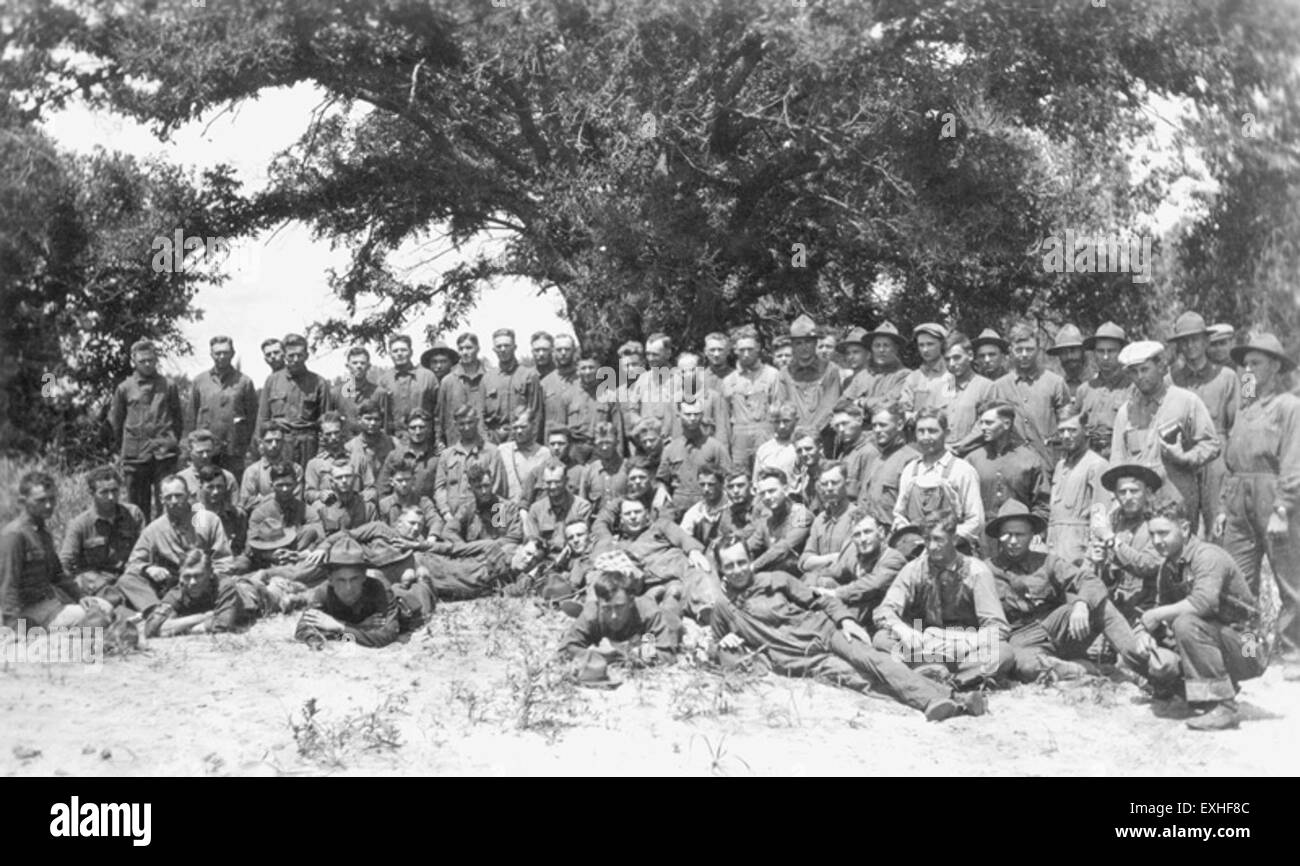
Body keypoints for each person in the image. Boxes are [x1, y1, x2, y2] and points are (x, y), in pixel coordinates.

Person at [712, 539, 984, 721]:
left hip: (827, 632)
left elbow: (823, 599)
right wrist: (725, 642)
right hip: (804, 660)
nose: (737, 570)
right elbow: (716, 646)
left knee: (873, 660)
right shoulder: (723, 608)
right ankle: (955, 702)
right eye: (729, 565)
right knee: (861, 680)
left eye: (741, 561)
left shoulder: (777, 579)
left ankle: (936, 699)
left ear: (751, 559)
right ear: (722, 570)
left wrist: (845, 621)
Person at [1137, 500, 1265, 730]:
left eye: (1164, 533)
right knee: (1142, 646)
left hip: (1250, 646)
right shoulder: (1169, 567)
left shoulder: (1207, 555)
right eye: (1152, 534)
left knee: (1186, 624)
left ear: (1185, 529)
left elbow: (1203, 603)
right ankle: (1191, 691)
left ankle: (1224, 706)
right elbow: (1162, 609)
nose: (1157, 541)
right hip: (1222, 639)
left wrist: (1156, 615)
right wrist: (1146, 632)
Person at [985, 501, 1146, 682]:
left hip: (1059, 628)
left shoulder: (1048, 562)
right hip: (1021, 639)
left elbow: (1090, 580)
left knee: (1101, 606)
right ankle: (1085, 669)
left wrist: (1081, 604)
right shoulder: (986, 570)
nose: (1013, 541)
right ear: (998, 536)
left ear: (1032, 535)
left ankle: (1144, 666)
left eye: (1019, 534)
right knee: (1027, 668)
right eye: (1007, 534)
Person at [1216, 333, 1299, 659]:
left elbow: (1293, 462)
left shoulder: (1288, 407)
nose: (1247, 370)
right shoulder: (1244, 410)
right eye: (1244, 364)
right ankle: (1248, 653)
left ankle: (1292, 653)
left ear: (1275, 367)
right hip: (1239, 499)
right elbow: (1232, 462)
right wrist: (1224, 505)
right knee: (1238, 578)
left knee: (1291, 580)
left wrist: (1282, 509)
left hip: (1274, 496)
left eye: (1256, 363)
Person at [871, 510, 1015, 688]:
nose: (931, 546)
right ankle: (936, 673)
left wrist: (967, 643)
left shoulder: (976, 571)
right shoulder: (914, 569)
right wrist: (904, 630)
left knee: (1003, 653)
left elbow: (998, 627)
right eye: (927, 540)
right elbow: (884, 610)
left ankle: (945, 680)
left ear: (954, 539)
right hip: (923, 642)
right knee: (881, 638)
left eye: (938, 539)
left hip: (963, 643)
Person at [1110, 340, 1220, 530]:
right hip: (1138, 509)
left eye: (1145, 369)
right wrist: (1114, 500)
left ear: (1161, 367)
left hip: (1176, 502)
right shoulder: (1125, 412)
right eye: (1134, 372)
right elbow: (1117, 461)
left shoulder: (1186, 401)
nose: (1140, 377)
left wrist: (1185, 457)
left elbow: (1211, 444)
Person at [1, 471, 114, 630]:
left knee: (104, 607)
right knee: (96, 617)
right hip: (27, 610)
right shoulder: (14, 535)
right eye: (41, 500)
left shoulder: (42, 533)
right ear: (22, 502)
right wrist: (13, 627)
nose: (48, 505)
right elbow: (7, 585)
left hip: (49, 603)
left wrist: (80, 596)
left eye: (51, 499)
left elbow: (57, 575)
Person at [117, 476, 232, 614]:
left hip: (204, 582)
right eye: (168, 497)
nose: (174, 501)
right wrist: (149, 568)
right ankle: (157, 611)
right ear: (161, 499)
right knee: (126, 580)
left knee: (229, 583)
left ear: (189, 495)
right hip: (173, 584)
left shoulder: (208, 520)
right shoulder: (154, 529)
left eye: (179, 496)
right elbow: (133, 564)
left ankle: (178, 611)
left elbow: (223, 560)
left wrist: (207, 577)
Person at [1169, 312, 1239, 537]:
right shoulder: (1171, 379)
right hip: (1181, 458)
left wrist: (1233, 471)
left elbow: (1237, 426)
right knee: (1178, 527)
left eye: (1195, 339)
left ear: (1205, 341)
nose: (1190, 345)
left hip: (1216, 459)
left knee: (1218, 529)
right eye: (1184, 340)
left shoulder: (1231, 376)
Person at [599, 496, 714, 620]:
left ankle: (707, 612)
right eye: (628, 514)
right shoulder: (619, 545)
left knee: (687, 582)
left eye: (637, 512)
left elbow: (681, 537)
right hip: (649, 585)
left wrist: (693, 551)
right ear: (621, 519)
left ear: (647, 514)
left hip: (677, 572)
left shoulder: (660, 525)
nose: (633, 516)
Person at [111, 339, 183, 517]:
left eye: (151, 360)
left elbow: (178, 420)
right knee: (137, 510)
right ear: (133, 361)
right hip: (135, 458)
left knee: (168, 505)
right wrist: (125, 448)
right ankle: (141, 544)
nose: (148, 364)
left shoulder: (169, 385)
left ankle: (166, 543)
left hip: (164, 455)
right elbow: (116, 422)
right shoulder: (124, 388)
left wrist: (170, 441)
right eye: (143, 361)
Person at [893, 409, 985, 549]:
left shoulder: (962, 471)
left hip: (952, 551)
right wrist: (910, 538)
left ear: (946, 433)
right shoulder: (910, 470)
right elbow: (899, 513)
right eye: (921, 431)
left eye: (932, 431)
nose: (926, 437)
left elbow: (976, 520)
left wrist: (947, 540)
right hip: (915, 550)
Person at [990, 321, 1071, 469]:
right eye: (1019, 350)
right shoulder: (999, 387)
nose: (1024, 355)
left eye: (1029, 349)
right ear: (1010, 350)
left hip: (1047, 462)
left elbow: (1067, 425)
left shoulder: (1055, 383)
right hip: (1012, 464)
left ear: (1038, 350)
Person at [295, 536, 401, 649]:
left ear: (364, 576)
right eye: (341, 580)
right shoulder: (323, 592)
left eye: (354, 579)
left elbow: (387, 636)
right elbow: (302, 632)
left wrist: (340, 627)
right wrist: (356, 629)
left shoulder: (380, 590)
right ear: (330, 579)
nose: (348, 587)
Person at [557, 569, 683, 664]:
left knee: (670, 613)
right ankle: (653, 594)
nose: (613, 616)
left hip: (665, 620)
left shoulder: (648, 615)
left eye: (619, 607)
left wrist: (627, 655)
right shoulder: (592, 614)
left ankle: (670, 595)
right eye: (606, 608)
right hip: (636, 636)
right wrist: (594, 655)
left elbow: (667, 655)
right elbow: (566, 649)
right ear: (598, 604)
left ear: (631, 602)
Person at [1090, 464, 1164, 624]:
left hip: (1149, 606)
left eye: (1134, 491)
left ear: (1148, 493)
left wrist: (1111, 539)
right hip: (1117, 604)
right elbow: (1108, 579)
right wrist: (1099, 563)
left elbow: (1147, 566)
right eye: (1122, 492)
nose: (1128, 497)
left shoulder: (1159, 523)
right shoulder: (1113, 522)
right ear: (1115, 496)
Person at [59, 466, 147, 599]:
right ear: (91, 493)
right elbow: (66, 563)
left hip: (129, 577)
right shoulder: (80, 524)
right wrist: (77, 592)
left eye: (115, 491)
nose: (111, 497)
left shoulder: (133, 514)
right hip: (97, 583)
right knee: (112, 602)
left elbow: (146, 550)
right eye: (104, 492)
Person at [142, 549, 270, 638]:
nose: (192, 582)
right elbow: (151, 628)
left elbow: (222, 625)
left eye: (198, 576)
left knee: (280, 591)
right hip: (235, 590)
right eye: (187, 576)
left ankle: (267, 575)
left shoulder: (225, 586)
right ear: (180, 577)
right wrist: (202, 617)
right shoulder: (178, 592)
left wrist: (177, 626)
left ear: (210, 574)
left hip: (253, 595)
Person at [809, 512, 909, 624]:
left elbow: (870, 585)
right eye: (857, 535)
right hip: (863, 607)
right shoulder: (857, 556)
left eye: (867, 532)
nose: (863, 539)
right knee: (824, 582)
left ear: (880, 533)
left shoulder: (893, 558)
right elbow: (833, 571)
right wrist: (811, 583)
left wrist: (835, 593)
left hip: (897, 617)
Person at [965, 402, 1052, 527]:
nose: (983, 427)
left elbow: (1042, 503)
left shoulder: (1030, 460)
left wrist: (1034, 529)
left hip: (1017, 534)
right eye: (981, 423)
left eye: (989, 423)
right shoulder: (972, 460)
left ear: (1006, 424)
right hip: (981, 536)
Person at [255, 333, 333, 470]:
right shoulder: (272, 381)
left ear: (307, 356)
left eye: (300, 355)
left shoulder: (319, 382)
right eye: (291, 355)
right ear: (284, 355)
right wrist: (262, 447)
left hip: (309, 445)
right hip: (279, 444)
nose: (296, 359)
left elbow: (327, 421)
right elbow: (263, 419)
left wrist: (324, 449)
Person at [186, 335, 257, 480]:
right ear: (211, 354)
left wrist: (245, 445)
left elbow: (252, 417)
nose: (222, 356)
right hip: (206, 451)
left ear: (232, 353)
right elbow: (191, 416)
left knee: (232, 488)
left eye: (226, 352)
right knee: (207, 488)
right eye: (218, 353)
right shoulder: (200, 381)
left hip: (233, 450)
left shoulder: (244, 382)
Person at [1047, 411, 1110, 565]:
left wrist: (1094, 549)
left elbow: (1100, 511)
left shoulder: (1097, 465)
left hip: (1079, 547)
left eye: (1072, 430)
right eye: (1061, 431)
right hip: (1054, 543)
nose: (1066, 436)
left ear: (1086, 431)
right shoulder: (1060, 466)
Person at [721, 327, 782, 473]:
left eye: (750, 349)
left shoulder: (773, 375)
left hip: (766, 433)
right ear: (735, 350)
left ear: (758, 348)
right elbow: (724, 420)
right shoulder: (729, 381)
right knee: (739, 477)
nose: (746, 354)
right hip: (739, 438)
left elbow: (780, 411)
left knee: (767, 474)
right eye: (742, 350)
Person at [433, 405, 508, 523]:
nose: (466, 427)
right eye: (461, 424)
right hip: (453, 519)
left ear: (477, 422)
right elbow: (439, 488)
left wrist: (497, 522)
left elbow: (499, 490)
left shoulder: (492, 452)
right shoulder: (447, 455)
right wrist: (446, 513)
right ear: (455, 425)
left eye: (470, 422)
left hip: (484, 521)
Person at [777, 315, 842, 449]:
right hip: (794, 438)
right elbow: (783, 406)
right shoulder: (785, 374)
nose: (804, 347)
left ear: (815, 343)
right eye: (799, 343)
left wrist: (812, 432)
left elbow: (830, 405)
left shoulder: (830, 370)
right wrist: (796, 432)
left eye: (808, 342)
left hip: (824, 437)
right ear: (793, 346)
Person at [657, 397, 731, 515]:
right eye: (688, 414)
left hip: (707, 502)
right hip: (678, 503)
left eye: (696, 414)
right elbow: (662, 479)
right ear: (679, 415)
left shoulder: (715, 447)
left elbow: (728, 476)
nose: (692, 418)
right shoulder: (670, 449)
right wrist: (661, 490)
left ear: (702, 415)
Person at [1074, 322, 1132, 459]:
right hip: (1087, 458)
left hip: (1120, 457)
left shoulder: (1133, 388)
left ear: (1122, 353)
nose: (1105, 357)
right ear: (1094, 354)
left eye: (1111, 351)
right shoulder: (1085, 390)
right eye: (1100, 351)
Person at [934, 331, 997, 452]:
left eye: (957, 357)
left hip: (972, 453)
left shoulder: (986, 386)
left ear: (970, 355)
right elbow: (931, 420)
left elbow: (984, 425)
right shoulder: (940, 387)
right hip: (941, 452)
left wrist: (959, 446)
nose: (952, 363)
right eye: (947, 359)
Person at [744, 468, 814, 576]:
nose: (767, 497)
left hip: (801, 576)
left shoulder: (801, 513)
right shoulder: (767, 521)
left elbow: (784, 548)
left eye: (772, 491)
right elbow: (750, 545)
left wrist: (753, 566)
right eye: (762, 493)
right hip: (775, 574)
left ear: (785, 490)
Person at [860, 403, 919, 526]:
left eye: (882, 425)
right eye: (874, 425)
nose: (877, 430)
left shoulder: (911, 459)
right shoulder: (877, 459)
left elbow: (913, 510)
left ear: (899, 425)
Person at [483, 328, 545, 445]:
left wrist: (532, 446)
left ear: (514, 347)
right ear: (494, 349)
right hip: (494, 441)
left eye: (507, 345)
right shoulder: (487, 378)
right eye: (499, 346)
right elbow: (480, 415)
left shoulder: (529, 375)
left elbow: (536, 415)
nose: (503, 349)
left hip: (522, 440)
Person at [797, 463, 858, 577]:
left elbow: (847, 562)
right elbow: (804, 562)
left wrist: (817, 561)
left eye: (834, 483)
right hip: (817, 582)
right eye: (824, 484)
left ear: (847, 484)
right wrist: (831, 558)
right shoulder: (820, 520)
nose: (829, 488)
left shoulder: (858, 517)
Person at [524, 460, 594, 559]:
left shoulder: (581, 506)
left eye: (557, 482)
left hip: (575, 557)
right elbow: (534, 541)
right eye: (548, 482)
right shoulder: (536, 509)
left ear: (566, 481)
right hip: (545, 559)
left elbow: (583, 541)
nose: (552, 487)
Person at [561, 355, 624, 464]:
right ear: (577, 371)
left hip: (601, 448)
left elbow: (618, 430)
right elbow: (561, 428)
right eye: (583, 368)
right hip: (575, 450)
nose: (587, 372)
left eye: (591, 368)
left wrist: (619, 456)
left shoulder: (609, 396)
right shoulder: (567, 396)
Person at [378, 335, 439, 441]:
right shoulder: (384, 380)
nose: (399, 354)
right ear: (390, 354)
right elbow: (380, 415)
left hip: (425, 439)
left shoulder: (428, 376)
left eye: (403, 350)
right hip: (395, 441)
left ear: (411, 352)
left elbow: (438, 412)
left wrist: (438, 439)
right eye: (395, 351)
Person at [305, 412, 373, 505]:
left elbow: (372, 490)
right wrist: (320, 495)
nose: (333, 437)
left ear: (342, 432)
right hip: (329, 511)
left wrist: (357, 498)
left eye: (336, 432)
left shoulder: (358, 458)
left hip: (356, 510)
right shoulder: (314, 464)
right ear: (321, 436)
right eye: (328, 434)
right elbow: (308, 494)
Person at [437, 332, 489, 448]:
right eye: (461, 349)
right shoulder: (448, 381)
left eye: (469, 348)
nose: (465, 352)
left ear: (477, 349)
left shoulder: (488, 378)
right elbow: (440, 417)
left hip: (484, 444)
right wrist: (439, 441)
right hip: (456, 444)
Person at [240, 422, 303, 513]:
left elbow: (296, 501)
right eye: (269, 441)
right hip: (262, 520)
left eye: (278, 441)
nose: (274, 445)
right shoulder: (252, 471)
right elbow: (246, 503)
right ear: (261, 442)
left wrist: (263, 499)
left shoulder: (296, 469)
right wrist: (275, 497)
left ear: (283, 442)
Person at [377, 409, 438, 500]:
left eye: (421, 427)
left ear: (428, 429)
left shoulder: (436, 458)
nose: (417, 432)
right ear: (407, 429)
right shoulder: (395, 456)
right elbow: (383, 488)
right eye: (413, 428)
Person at [334, 346, 392, 438]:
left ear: (368, 366)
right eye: (355, 363)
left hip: (372, 444)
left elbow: (384, 425)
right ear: (347, 366)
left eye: (362, 363)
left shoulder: (379, 393)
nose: (359, 366)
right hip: (346, 444)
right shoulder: (337, 393)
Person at [855, 322, 911, 418]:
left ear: (896, 349)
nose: (881, 350)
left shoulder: (905, 375)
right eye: (877, 345)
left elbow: (889, 404)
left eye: (886, 345)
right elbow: (843, 402)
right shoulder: (863, 375)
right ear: (872, 349)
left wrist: (860, 402)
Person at [498, 408, 552, 503]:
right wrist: (497, 515)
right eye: (515, 428)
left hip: (533, 511)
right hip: (504, 509)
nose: (519, 431)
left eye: (523, 427)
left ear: (534, 427)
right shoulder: (502, 451)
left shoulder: (544, 454)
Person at [194, 464, 248, 556]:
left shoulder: (236, 514)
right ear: (201, 486)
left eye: (219, 487)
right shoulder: (192, 514)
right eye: (210, 487)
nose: (215, 492)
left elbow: (241, 545)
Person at [830, 400, 879, 501]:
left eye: (845, 423)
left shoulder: (868, 452)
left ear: (859, 421)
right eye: (837, 426)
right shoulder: (843, 453)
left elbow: (867, 495)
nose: (841, 429)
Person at [343, 399, 395, 493]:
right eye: (368, 419)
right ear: (359, 419)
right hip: (360, 499)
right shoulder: (349, 447)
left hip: (385, 496)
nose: (372, 423)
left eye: (376, 419)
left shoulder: (392, 443)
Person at [176, 429, 238, 504]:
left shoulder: (227, 477)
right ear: (190, 452)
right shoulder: (181, 479)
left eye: (208, 451)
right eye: (200, 452)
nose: (205, 456)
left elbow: (235, 508)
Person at [899, 322, 949, 414]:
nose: (925, 350)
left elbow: (950, 411)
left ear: (942, 344)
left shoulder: (951, 375)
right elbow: (903, 410)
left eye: (930, 344)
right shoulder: (914, 377)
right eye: (921, 345)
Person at [541, 334, 581, 438]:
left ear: (574, 351)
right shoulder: (545, 383)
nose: (563, 353)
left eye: (567, 349)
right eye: (559, 350)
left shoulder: (584, 379)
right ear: (553, 352)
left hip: (579, 444)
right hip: (554, 444)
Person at [751, 403, 799, 486]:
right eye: (777, 422)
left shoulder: (801, 448)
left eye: (786, 421)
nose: (782, 426)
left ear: (796, 420)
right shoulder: (764, 449)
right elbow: (756, 482)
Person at [1046, 324, 1088, 403]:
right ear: (1059, 356)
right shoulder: (1056, 385)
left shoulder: (1096, 381)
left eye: (1073, 350)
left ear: (1082, 351)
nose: (1069, 356)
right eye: (1063, 352)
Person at [838, 327, 874, 398]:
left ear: (868, 354)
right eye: (848, 353)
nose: (851, 357)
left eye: (856, 352)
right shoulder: (847, 381)